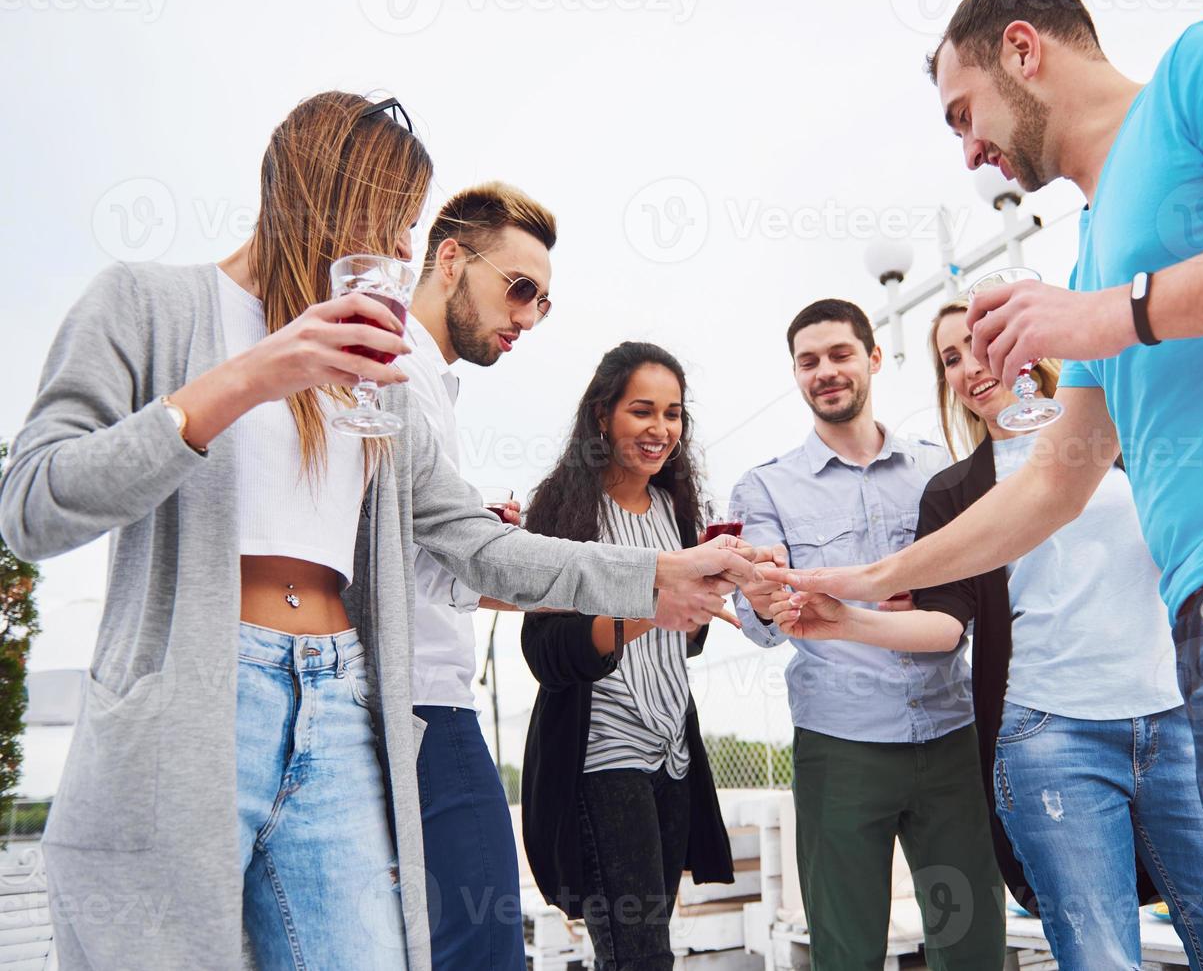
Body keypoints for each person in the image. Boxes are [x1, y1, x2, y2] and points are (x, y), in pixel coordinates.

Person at [769, 0, 1203, 967]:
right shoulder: (1098, 246)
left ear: (1022, 49)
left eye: (961, 113)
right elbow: (1050, 487)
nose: (966, 151)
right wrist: (861, 578)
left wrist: (1113, 315)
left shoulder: (1201, 70)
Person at [0, 91, 758, 970]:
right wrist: (252, 375)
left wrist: (660, 575)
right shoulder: (147, 304)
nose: (401, 254)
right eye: (392, 223)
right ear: (320, 195)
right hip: (196, 700)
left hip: (344, 708)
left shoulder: (382, 381)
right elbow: (34, 505)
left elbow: (478, 545)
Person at [771, 300, 1203, 969]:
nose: (967, 367)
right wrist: (844, 619)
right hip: (1050, 737)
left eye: (977, 343)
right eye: (949, 359)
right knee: (1102, 957)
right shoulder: (953, 492)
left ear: (1025, 340)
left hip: (1175, 724)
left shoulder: (1125, 434)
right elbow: (943, 625)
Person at [730, 299, 1005, 970]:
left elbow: (969, 592)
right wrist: (771, 595)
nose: (825, 371)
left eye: (839, 354)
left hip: (951, 737)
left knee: (971, 948)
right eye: (808, 361)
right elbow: (761, 618)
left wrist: (833, 588)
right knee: (845, 950)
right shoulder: (763, 489)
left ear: (873, 358)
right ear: (795, 375)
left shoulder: (939, 471)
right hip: (841, 748)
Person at [520, 342, 741, 971]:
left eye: (673, 414)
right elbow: (547, 651)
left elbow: (685, 636)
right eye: (642, 410)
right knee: (638, 957)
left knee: (646, 949)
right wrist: (652, 607)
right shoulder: (565, 509)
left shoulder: (677, 510)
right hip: (603, 754)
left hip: (671, 755)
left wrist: (720, 584)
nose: (660, 429)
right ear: (601, 416)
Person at [398, 180, 558, 969]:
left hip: (412, 699)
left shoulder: (429, 382)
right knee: (485, 950)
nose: (527, 317)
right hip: (425, 698)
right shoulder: (396, 367)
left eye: (543, 305)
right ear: (450, 258)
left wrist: (471, 536)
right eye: (520, 289)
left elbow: (419, 554)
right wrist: (655, 579)